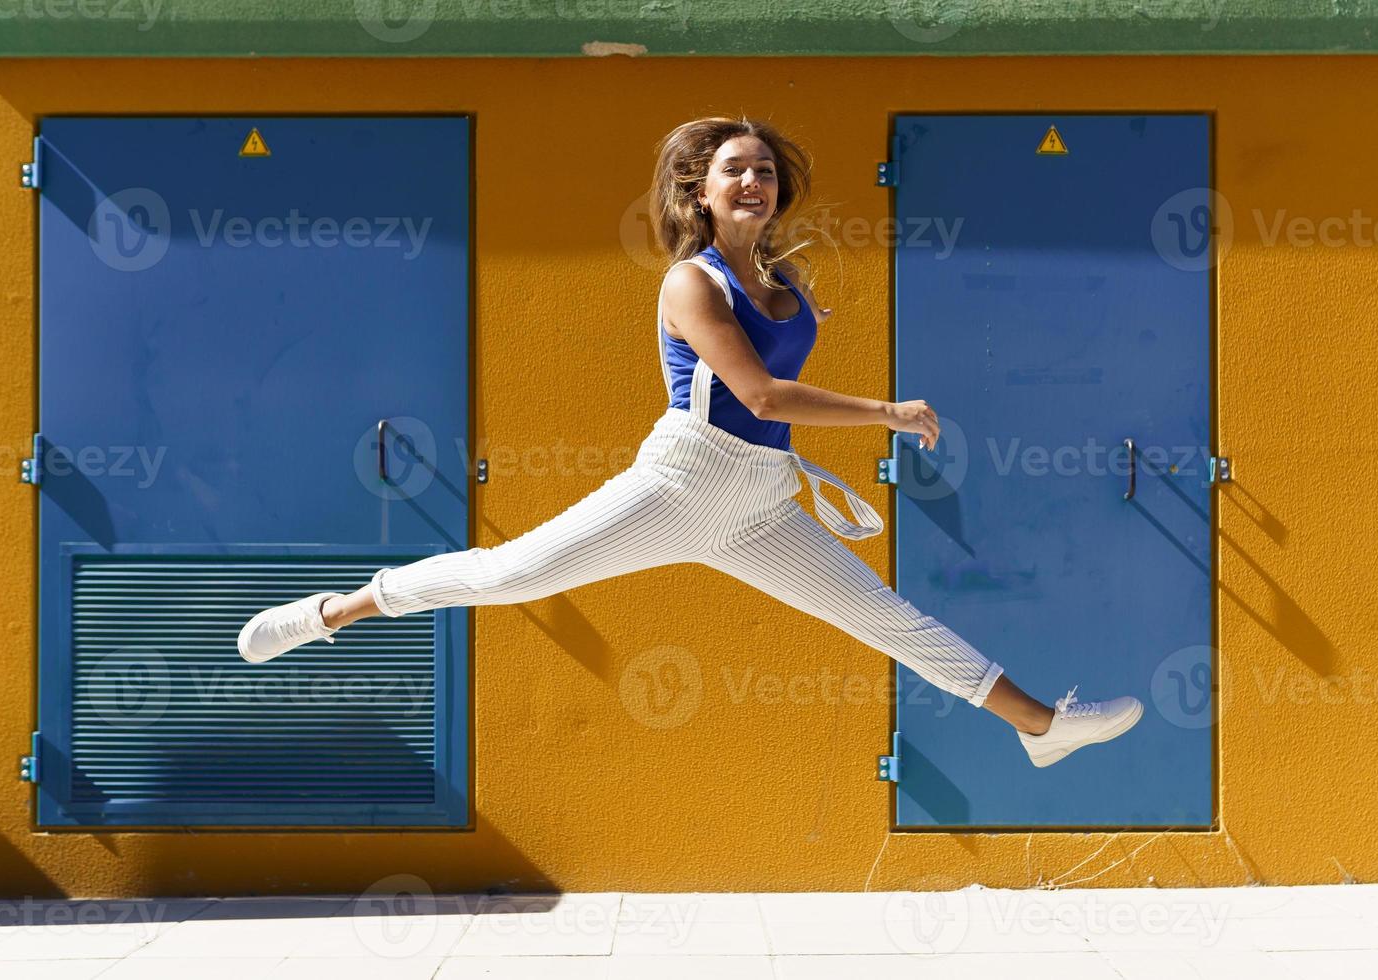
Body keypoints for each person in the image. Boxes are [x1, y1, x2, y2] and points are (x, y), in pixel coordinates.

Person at [236, 115, 1142, 768]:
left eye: (765, 172)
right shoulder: (689, 282)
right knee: (510, 576)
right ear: (699, 193)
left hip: (757, 499)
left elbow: (771, 402)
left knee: (884, 618)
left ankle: (1040, 728)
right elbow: (755, 390)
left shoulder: (783, 279)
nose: (755, 182)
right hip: (682, 480)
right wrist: (883, 413)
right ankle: (337, 611)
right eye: (735, 171)